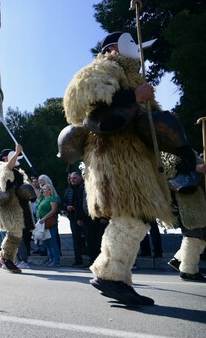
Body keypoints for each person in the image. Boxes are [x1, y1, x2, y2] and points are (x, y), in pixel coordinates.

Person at [62, 31, 184, 306]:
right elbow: (79, 102)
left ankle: (119, 278)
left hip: (137, 160)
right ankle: (110, 276)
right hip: (114, 157)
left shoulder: (133, 78)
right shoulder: (103, 68)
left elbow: (152, 127)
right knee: (131, 216)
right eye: (135, 48)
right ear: (116, 47)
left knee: (135, 217)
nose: (140, 54)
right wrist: (132, 95)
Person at [0, 144, 35, 273]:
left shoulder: (18, 172)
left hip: (20, 205)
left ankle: (6, 258)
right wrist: (17, 152)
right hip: (10, 205)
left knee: (18, 233)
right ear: (5, 158)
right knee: (14, 232)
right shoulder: (0, 168)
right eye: (13, 156)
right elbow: (6, 171)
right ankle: (6, 258)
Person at [165, 153, 206, 282]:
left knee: (201, 234)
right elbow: (168, 169)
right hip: (184, 199)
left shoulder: (184, 149)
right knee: (193, 234)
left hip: (194, 199)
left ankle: (178, 260)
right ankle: (188, 270)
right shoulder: (166, 151)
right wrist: (195, 167)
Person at [63, 171, 87, 267]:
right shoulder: (69, 189)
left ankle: (92, 258)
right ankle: (78, 260)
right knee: (75, 239)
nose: (72, 180)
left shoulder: (83, 188)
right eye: (71, 178)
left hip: (84, 217)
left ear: (80, 178)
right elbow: (64, 202)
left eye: (74, 178)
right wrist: (67, 207)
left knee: (89, 238)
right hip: (73, 217)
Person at [36, 184, 61, 267]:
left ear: (50, 190)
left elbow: (53, 210)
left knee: (52, 242)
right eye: (42, 189)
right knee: (46, 242)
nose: (42, 190)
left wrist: (44, 218)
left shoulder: (52, 198)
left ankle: (56, 260)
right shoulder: (43, 199)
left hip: (49, 223)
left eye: (44, 189)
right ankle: (50, 258)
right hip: (42, 224)